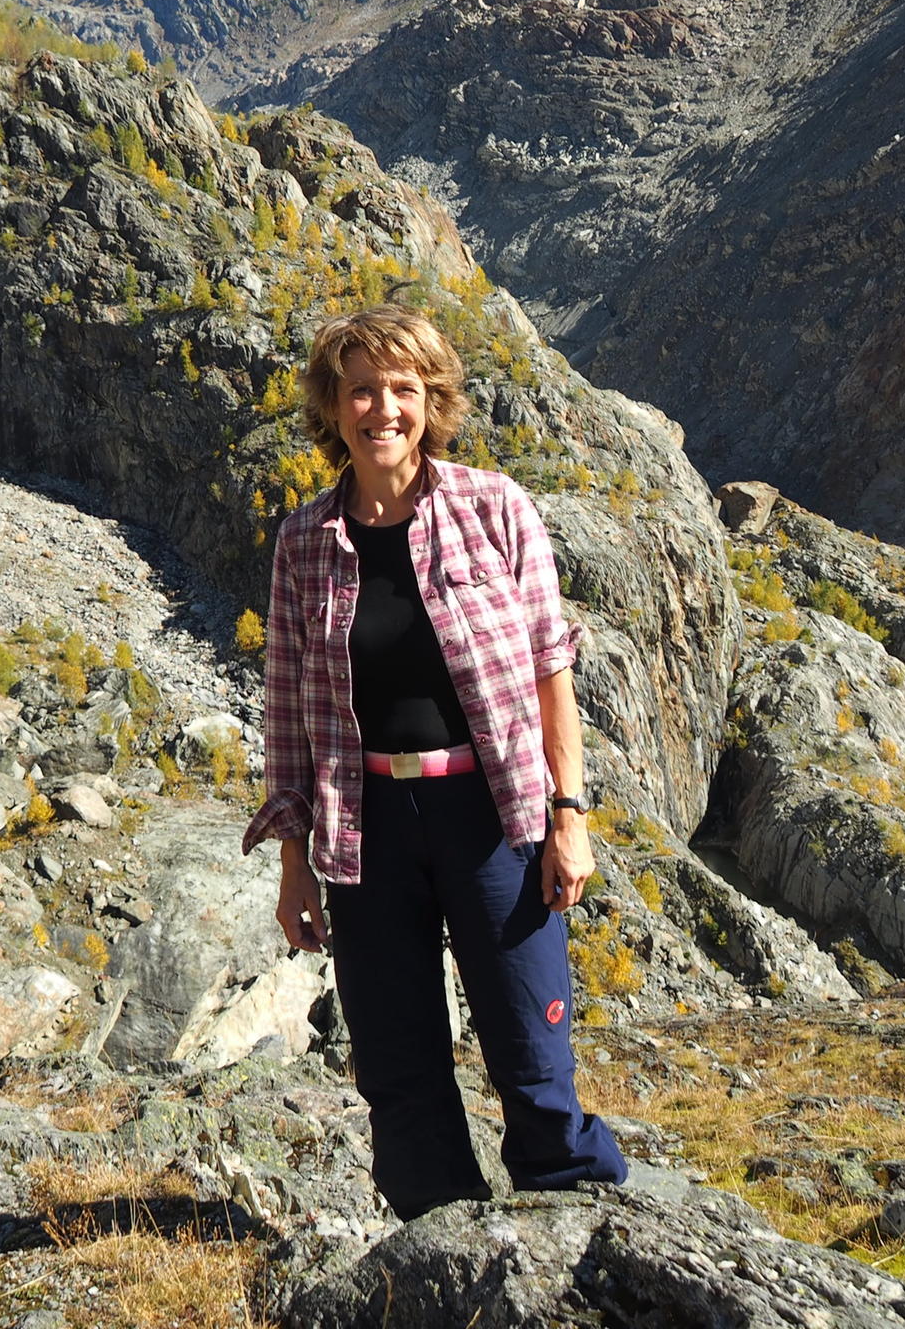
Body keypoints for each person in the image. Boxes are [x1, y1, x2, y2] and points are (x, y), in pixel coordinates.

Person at [240, 304, 628, 1220]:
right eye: (362, 389)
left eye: (404, 390)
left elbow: (548, 666)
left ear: (433, 402)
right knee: (399, 1065)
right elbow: (290, 711)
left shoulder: (494, 508)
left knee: (531, 1048)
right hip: (363, 826)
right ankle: (438, 1246)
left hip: (492, 817)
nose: (384, 409)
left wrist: (568, 818)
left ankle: (572, 1219)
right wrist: (294, 864)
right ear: (333, 409)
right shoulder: (304, 541)